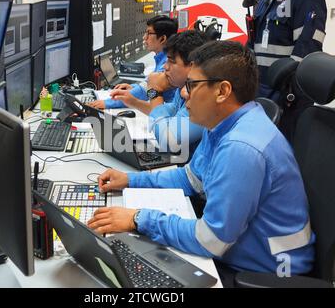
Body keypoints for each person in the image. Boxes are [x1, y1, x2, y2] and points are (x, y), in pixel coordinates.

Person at [87, 41, 314, 286]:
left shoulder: (242, 148)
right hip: (240, 248)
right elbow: (190, 179)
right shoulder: (223, 123)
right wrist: (131, 180)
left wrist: (138, 219)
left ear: (222, 91)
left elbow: (211, 240)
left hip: (267, 273)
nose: (184, 94)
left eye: (192, 85)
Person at [110, 30, 209, 154]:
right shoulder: (182, 89)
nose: (165, 67)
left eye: (171, 62)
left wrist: (154, 90)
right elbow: (164, 110)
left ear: (193, 66)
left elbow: (167, 140)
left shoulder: (202, 98)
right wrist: (133, 102)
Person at [250, 0, 327, 142]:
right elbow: (253, 42)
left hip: (287, 94)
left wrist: (287, 87)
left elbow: (307, 47)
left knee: (283, 149)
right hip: (259, 87)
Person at [89, 15, 178, 110]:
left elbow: (148, 91)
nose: (144, 37)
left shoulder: (167, 63)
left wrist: (107, 103)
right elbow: (150, 88)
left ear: (162, 39)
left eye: (149, 33)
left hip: (171, 114)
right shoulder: (163, 59)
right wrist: (133, 88)